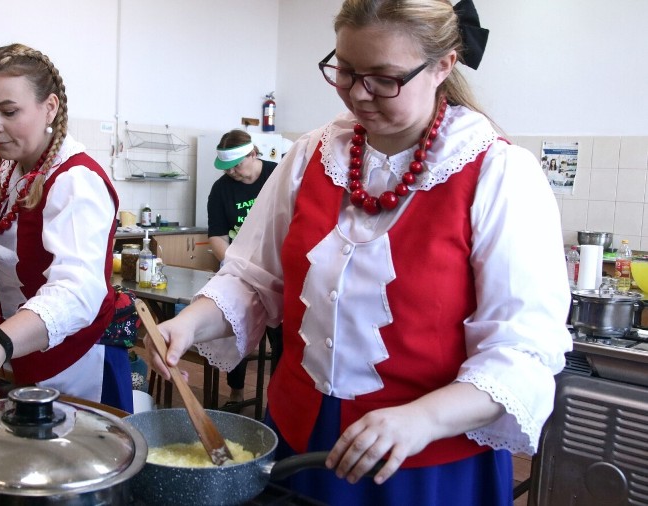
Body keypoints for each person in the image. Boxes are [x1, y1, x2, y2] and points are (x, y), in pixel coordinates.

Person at [146, 0, 572, 504]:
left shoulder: (499, 174)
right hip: (299, 437)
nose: (358, 94)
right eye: (345, 70)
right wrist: (189, 324)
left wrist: (424, 417)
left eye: (383, 78)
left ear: (443, 65)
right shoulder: (311, 156)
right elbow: (251, 278)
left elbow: (521, 352)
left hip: (424, 462)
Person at [0, 43, 132, 412]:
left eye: (8, 111)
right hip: (33, 355)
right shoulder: (15, 168)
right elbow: (18, 254)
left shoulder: (75, 181)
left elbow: (75, 291)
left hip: (79, 363)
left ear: (49, 107)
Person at [206, 129, 278, 410]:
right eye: (228, 168)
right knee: (237, 329)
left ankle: (276, 400)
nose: (234, 172)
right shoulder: (221, 189)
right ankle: (236, 393)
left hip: (276, 269)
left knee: (280, 338)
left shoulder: (278, 175)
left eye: (238, 165)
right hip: (240, 270)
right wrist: (236, 266)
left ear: (253, 153)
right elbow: (218, 236)